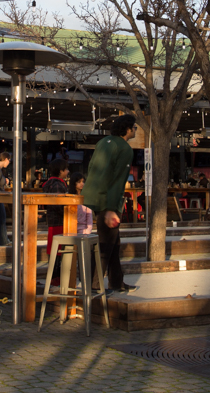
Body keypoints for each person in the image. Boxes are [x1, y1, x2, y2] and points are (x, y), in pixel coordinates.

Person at [81, 114, 138, 293]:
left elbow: (91, 169)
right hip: (108, 200)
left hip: (90, 197)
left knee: (114, 241)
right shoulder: (125, 149)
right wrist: (112, 209)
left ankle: (117, 281)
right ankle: (93, 285)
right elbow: (118, 181)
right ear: (127, 129)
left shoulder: (102, 142)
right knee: (106, 243)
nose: (135, 130)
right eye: (134, 127)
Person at [42, 160, 69, 259]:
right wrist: (68, 213)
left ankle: (55, 272)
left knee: (54, 247)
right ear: (61, 171)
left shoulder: (51, 183)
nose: (68, 171)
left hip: (54, 220)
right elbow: (58, 204)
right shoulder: (57, 185)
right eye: (66, 169)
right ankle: (56, 273)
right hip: (59, 220)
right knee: (58, 249)